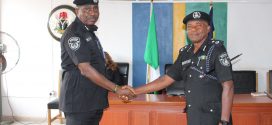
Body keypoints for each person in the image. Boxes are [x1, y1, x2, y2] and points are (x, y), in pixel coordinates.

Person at [124, 11, 234, 125]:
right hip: (194, 115)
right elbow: (165, 79)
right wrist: (134, 91)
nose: (194, 30)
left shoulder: (216, 49)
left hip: (214, 117)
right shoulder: (185, 52)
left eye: (199, 25)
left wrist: (224, 121)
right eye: (190, 27)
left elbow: (228, 86)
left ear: (208, 28)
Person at [59, 0, 135, 125]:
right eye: (87, 9)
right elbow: (86, 69)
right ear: (76, 11)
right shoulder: (74, 34)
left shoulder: (88, 32)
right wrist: (117, 89)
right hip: (79, 102)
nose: (93, 13)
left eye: (95, 8)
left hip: (92, 100)